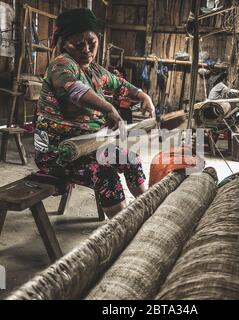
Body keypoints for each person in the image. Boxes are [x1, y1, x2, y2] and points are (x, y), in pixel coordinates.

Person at [34, 8, 155, 218]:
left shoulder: (94, 70)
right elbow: (76, 90)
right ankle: (121, 229)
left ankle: (148, 211)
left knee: (131, 160)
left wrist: (144, 96)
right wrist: (109, 109)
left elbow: (120, 84)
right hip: (58, 153)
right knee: (105, 174)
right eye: (78, 44)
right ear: (63, 43)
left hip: (88, 148)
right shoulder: (61, 65)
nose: (87, 49)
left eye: (92, 42)